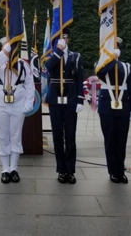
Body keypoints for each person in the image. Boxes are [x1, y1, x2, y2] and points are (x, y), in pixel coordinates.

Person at [0, 38, 34, 183]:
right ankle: (4, 169)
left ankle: (14, 168)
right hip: (0, 104)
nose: (9, 49)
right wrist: (4, 52)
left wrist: (28, 101)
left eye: (12, 47)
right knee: (3, 136)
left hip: (17, 104)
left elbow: (29, 83)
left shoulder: (22, 65)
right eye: (6, 47)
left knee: (15, 136)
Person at [44, 27, 85, 184]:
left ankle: (70, 169)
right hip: (55, 99)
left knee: (70, 135)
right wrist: (58, 51)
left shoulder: (76, 56)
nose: (64, 40)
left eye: (66, 37)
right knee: (57, 135)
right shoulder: (51, 56)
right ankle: (61, 169)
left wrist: (80, 99)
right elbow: (47, 68)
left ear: (69, 39)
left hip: (71, 97)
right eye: (61, 38)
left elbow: (80, 78)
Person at [97, 37, 131, 184]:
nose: (115, 49)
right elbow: (102, 73)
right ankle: (112, 171)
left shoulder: (126, 66)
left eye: (117, 47)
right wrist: (112, 59)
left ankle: (120, 171)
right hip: (107, 106)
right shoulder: (100, 64)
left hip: (123, 105)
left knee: (121, 140)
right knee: (110, 139)